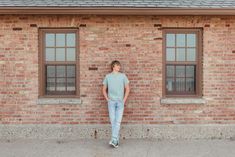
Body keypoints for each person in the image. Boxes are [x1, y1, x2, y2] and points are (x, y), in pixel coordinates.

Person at [102, 60, 130, 148]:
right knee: (113, 121)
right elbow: (103, 89)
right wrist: (108, 100)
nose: (119, 67)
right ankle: (116, 141)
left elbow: (128, 89)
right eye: (117, 66)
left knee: (117, 122)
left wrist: (124, 100)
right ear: (113, 67)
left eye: (119, 66)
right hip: (111, 102)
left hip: (120, 102)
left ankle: (114, 139)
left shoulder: (123, 76)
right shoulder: (108, 77)